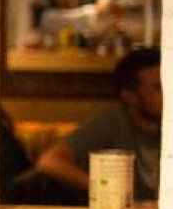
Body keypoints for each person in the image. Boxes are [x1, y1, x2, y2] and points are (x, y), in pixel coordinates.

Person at [34, 47, 162, 200]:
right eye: (158, 88)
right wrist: (105, 188)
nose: (168, 95)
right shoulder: (113, 120)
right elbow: (49, 161)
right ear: (130, 96)